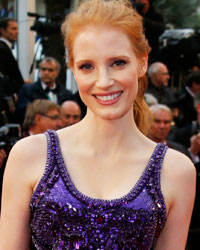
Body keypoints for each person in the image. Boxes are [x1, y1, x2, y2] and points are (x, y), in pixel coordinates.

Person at [0, 1, 195, 249]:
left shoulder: (176, 171)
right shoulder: (29, 155)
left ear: (142, 63)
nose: (103, 82)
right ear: (72, 68)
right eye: (87, 66)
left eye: (118, 63)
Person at [16, 56, 73, 123]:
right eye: (43, 69)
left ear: (57, 73)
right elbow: (22, 114)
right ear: (40, 71)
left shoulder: (66, 94)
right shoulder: (27, 90)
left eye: (50, 70)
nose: (46, 73)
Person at [0, 18, 25, 96]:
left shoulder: (5, 47)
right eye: (13, 29)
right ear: (3, 30)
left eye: (17, 29)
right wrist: (11, 95)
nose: (17, 32)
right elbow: (3, 77)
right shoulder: (1, 49)